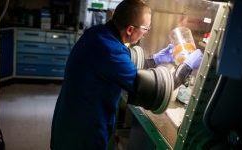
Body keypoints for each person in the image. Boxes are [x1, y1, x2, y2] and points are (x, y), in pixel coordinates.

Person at [50, 0, 202, 149]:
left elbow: (121, 65)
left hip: (69, 120)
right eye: (146, 29)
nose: (145, 34)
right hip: (83, 132)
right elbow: (151, 91)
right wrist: (186, 67)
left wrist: (155, 60)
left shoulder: (98, 34)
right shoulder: (110, 50)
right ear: (130, 30)